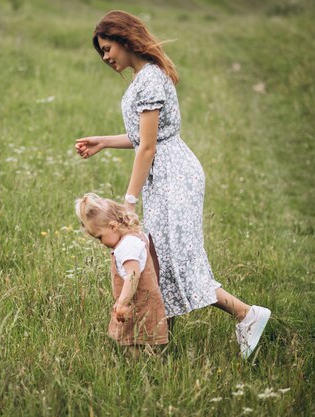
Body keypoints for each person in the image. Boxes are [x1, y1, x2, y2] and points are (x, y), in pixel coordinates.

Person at [75, 10, 270, 359]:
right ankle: (157, 342)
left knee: (176, 261)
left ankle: (246, 314)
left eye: (107, 48)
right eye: (101, 52)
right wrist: (104, 141)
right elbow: (144, 137)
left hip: (173, 177)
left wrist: (129, 201)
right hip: (166, 175)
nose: (106, 57)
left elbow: (148, 147)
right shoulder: (144, 77)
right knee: (162, 262)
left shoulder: (149, 79)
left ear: (124, 38)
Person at [75, 192, 168, 357]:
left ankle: (143, 372)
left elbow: (133, 275)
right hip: (144, 304)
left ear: (112, 226)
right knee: (142, 341)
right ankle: (149, 364)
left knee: (135, 344)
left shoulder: (127, 246)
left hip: (139, 305)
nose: (101, 243)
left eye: (100, 237)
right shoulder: (134, 238)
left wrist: (123, 302)